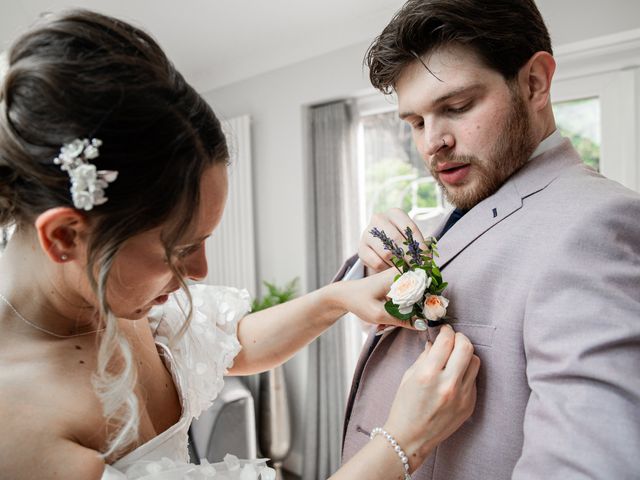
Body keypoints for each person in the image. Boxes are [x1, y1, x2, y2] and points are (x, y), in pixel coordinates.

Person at [0, 9, 481, 480]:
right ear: (65, 236)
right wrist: (404, 442)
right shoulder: (17, 429)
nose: (202, 270)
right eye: (180, 249)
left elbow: (225, 346)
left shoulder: (110, 293)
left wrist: (338, 299)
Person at [341, 0, 640, 478]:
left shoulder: (596, 226)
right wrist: (377, 270)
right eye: (415, 122)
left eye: (456, 107)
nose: (431, 143)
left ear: (535, 83)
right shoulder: (453, 213)